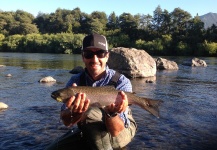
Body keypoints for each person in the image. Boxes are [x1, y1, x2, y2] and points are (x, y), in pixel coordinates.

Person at [46, 33, 137, 150]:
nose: (95, 59)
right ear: (83, 57)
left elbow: (116, 131)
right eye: (89, 54)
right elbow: (67, 122)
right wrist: (77, 113)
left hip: (121, 130)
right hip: (90, 129)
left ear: (107, 56)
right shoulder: (75, 81)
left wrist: (111, 113)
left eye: (100, 53)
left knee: (90, 113)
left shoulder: (121, 81)